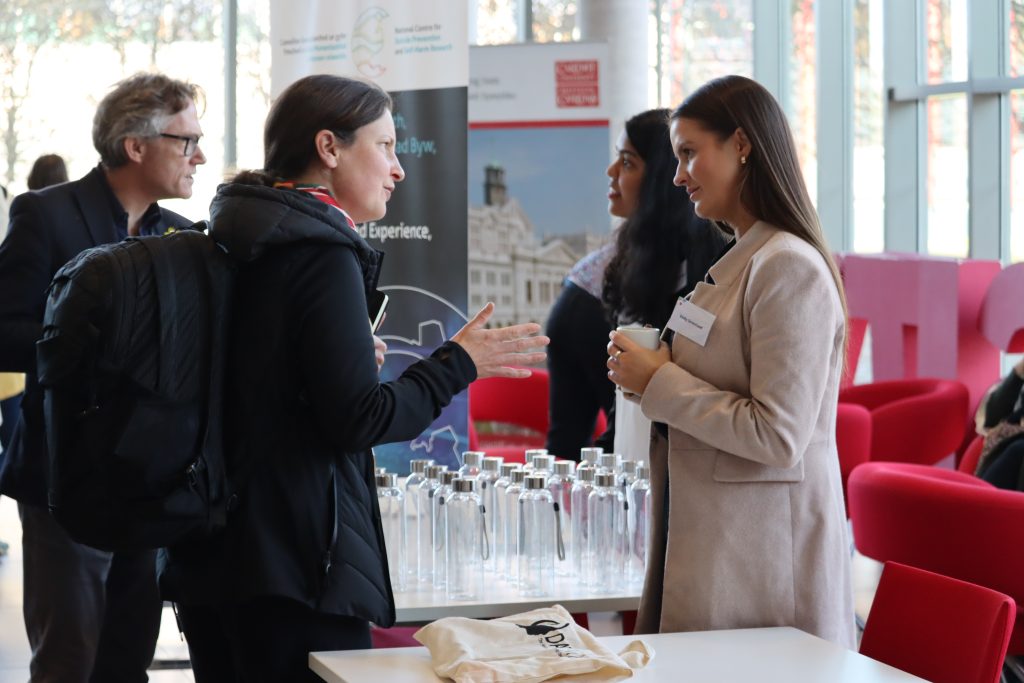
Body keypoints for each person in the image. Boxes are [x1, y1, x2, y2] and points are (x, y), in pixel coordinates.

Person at [158, 74, 548, 682]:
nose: (398, 169)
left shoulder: (235, 233)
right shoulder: (320, 250)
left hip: (212, 556)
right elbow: (360, 420)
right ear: (329, 148)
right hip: (294, 567)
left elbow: (259, 389)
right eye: (385, 146)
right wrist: (458, 362)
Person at [607, 75, 855, 646]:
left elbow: (778, 434)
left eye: (690, 153)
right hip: (718, 545)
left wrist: (661, 379)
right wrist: (650, 374)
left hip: (762, 571)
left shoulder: (787, 267)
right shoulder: (742, 259)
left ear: (741, 145)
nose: (678, 176)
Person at [0, 72, 206, 681]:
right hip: (64, 477)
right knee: (69, 659)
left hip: (149, 478)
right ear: (135, 146)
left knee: (128, 658)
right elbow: (5, 330)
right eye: (187, 141)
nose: (198, 156)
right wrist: (100, 347)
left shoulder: (183, 236)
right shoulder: (45, 215)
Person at [545, 109, 724, 459]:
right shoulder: (607, 277)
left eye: (627, 163)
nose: (611, 172)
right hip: (634, 460)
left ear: (661, 179)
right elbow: (611, 417)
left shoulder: (717, 262)